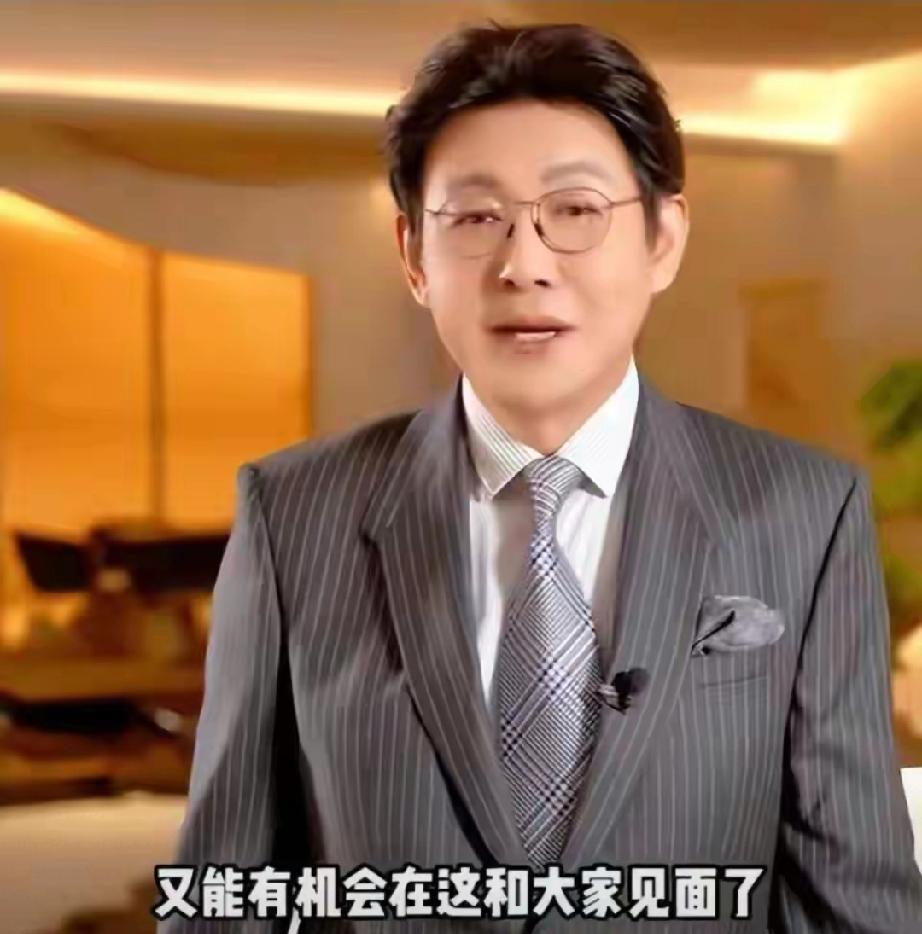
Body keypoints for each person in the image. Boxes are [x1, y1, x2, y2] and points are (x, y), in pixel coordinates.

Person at [159, 21, 922, 933]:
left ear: (664, 239)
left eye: (576, 210)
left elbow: (852, 896)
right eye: (476, 218)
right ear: (413, 254)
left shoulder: (803, 511)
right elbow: (227, 892)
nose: (524, 265)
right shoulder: (293, 515)